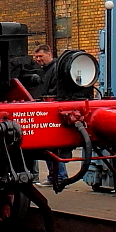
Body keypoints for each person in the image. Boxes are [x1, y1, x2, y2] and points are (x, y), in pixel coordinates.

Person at [26, 45, 68, 186]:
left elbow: (53, 90)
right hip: (44, 108)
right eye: (36, 57)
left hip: (51, 110)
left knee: (51, 145)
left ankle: (58, 177)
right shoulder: (43, 70)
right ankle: (56, 176)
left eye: (40, 57)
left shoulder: (55, 70)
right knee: (48, 146)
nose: (38, 60)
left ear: (49, 54)